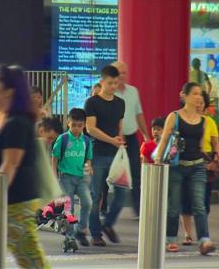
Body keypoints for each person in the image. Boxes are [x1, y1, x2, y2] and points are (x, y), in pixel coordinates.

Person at [0, 65, 49, 268]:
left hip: (15, 203)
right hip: (7, 201)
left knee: (30, 259)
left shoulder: (16, 123)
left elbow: (10, 164)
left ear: (9, 91)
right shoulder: (2, 119)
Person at [154, 82, 215, 255]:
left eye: (200, 94)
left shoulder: (203, 120)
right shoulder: (174, 117)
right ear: (184, 96)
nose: (198, 97)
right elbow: (165, 138)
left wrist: (211, 161)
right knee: (174, 205)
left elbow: (202, 145)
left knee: (199, 205)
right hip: (177, 166)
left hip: (197, 166)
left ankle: (204, 240)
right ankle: (171, 238)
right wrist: (159, 158)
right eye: (195, 93)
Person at [84, 65, 125, 246]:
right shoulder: (92, 102)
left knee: (122, 193)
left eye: (116, 83)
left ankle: (107, 224)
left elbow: (119, 127)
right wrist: (111, 140)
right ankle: (95, 233)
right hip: (98, 154)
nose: (113, 86)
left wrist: (120, 141)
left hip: (116, 154)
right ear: (102, 82)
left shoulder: (120, 103)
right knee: (96, 195)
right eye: (110, 83)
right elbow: (90, 129)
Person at [181, 90, 219, 245]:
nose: (198, 105)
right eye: (196, 101)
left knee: (203, 200)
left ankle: (202, 234)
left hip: (206, 163)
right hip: (187, 160)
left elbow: (216, 143)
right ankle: (187, 234)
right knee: (186, 200)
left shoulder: (209, 122)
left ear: (205, 106)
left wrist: (215, 160)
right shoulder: (182, 118)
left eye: (201, 103)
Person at [112, 61, 150, 219]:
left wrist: (146, 135)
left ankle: (138, 209)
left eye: (124, 73)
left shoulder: (133, 91)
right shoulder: (108, 92)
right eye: (118, 72)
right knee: (113, 173)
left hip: (131, 137)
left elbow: (139, 114)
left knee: (136, 172)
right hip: (113, 139)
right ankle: (107, 208)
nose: (122, 76)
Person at [52, 108, 93, 248]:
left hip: (81, 178)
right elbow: (55, 157)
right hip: (66, 177)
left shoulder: (86, 141)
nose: (76, 128)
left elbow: (88, 158)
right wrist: (54, 175)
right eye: (73, 125)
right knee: (69, 209)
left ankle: (80, 229)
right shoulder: (63, 138)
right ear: (68, 122)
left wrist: (88, 166)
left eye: (80, 125)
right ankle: (69, 237)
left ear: (84, 125)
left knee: (87, 203)